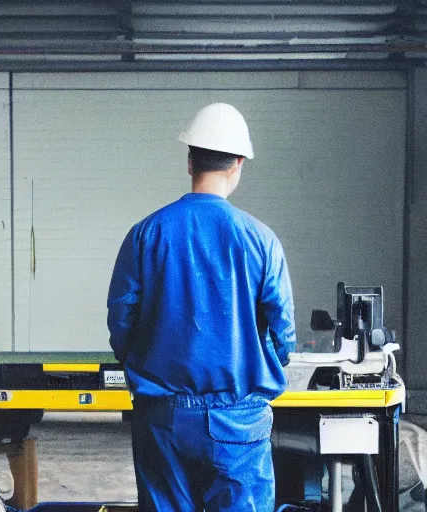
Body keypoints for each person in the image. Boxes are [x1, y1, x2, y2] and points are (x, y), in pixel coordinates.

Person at [107, 103, 296, 511]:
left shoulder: (146, 234)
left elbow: (121, 320)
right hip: (239, 420)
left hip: (163, 417)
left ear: (190, 160)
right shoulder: (261, 240)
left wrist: (144, 362)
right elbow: (283, 334)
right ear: (239, 164)